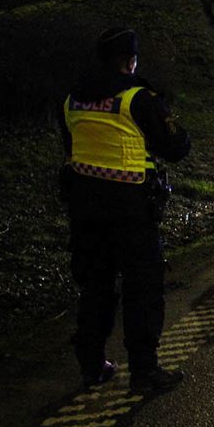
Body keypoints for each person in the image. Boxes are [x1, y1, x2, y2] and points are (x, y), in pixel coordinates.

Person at [61, 27, 191, 392]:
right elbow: (177, 147)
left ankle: (92, 365)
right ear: (131, 60)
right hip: (131, 210)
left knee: (95, 285)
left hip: (85, 209)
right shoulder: (138, 99)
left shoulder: (72, 99)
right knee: (143, 288)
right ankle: (144, 371)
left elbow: (71, 149)